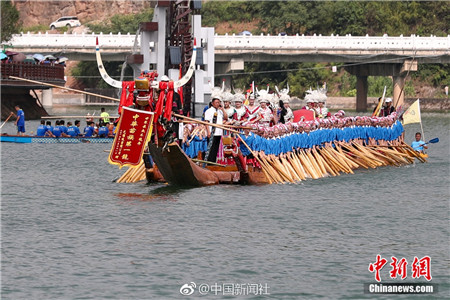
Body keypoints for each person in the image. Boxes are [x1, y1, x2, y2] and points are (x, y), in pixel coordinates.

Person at [204, 95, 228, 162]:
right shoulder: (209, 111)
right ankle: (209, 162)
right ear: (212, 103)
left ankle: (213, 162)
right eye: (216, 102)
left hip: (219, 132)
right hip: (212, 132)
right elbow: (206, 122)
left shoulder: (220, 111)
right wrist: (208, 132)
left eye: (219, 102)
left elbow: (226, 117)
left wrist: (223, 109)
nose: (218, 104)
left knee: (215, 148)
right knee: (211, 148)